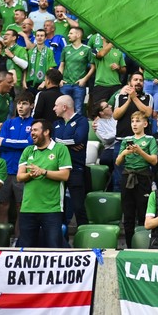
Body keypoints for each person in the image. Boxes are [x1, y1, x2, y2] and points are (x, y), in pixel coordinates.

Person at [16, 118, 72, 248]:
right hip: (28, 207)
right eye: (31, 130)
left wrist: (43, 172)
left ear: (46, 132)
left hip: (51, 208)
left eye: (35, 130)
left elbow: (65, 175)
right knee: (27, 248)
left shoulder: (60, 149)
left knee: (53, 248)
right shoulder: (28, 150)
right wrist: (31, 174)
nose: (32, 133)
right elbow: (19, 176)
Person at [115, 110, 158, 248]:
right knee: (128, 215)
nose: (134, 124)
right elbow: (117, 162)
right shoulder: (126, 140)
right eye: (133, 121)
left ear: (145, 124)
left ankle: (143, 245)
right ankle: (129, 246)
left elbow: (154, 161)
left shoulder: (150, 139)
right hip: (127, 176)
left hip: (143, 177)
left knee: (143, 212)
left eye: (138, 121)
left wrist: (140, 151)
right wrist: (124, 153)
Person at [52, 94, 90, 230]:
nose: (53, 108)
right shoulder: (56, 123)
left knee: (78, 206)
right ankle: (62, 238)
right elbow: (53, 142)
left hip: (76, 168)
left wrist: (61, 142)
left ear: (64, 107)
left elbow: (78, 139)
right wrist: (69, 142)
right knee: (59, 206)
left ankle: (85, 237)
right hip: (58, 170)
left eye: (56, 105)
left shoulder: (82, 121)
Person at [0, 95, 33, 239]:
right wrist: (18, 143)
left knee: (21, 207)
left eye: (24, 103)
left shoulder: (35, 123)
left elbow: (29, 144)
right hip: (5, 170)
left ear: (32, 105)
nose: (20, 107)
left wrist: (7, 142)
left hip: (22, 171)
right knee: (2, 205)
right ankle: (1, 239)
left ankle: (18, 240)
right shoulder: (8, 123)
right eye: (18, 103)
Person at [59, 27, 93, 114]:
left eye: (71, 33)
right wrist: (59, 79)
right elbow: (62, 65)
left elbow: (93, 67)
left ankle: (77, 127)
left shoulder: (87, 49)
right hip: (65, 84)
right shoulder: (66, 49)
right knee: (63, 109)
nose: (68, 35)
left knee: (78, 109)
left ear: (78, 35)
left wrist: (84, 79)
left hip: (79, 85)